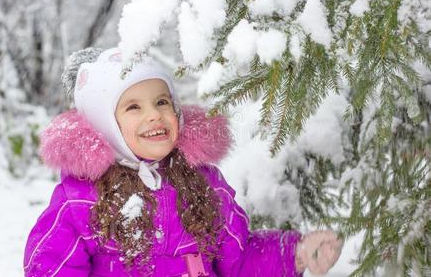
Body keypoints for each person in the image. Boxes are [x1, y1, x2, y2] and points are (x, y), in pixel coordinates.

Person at [23, 47, 343, 277]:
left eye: (162, 101)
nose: (154, 114)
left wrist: (295, 254)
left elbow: (239, 261)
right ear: (104, 122)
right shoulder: (81, 201)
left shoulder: (203, 184)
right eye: (133, 107)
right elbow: (50, 267)